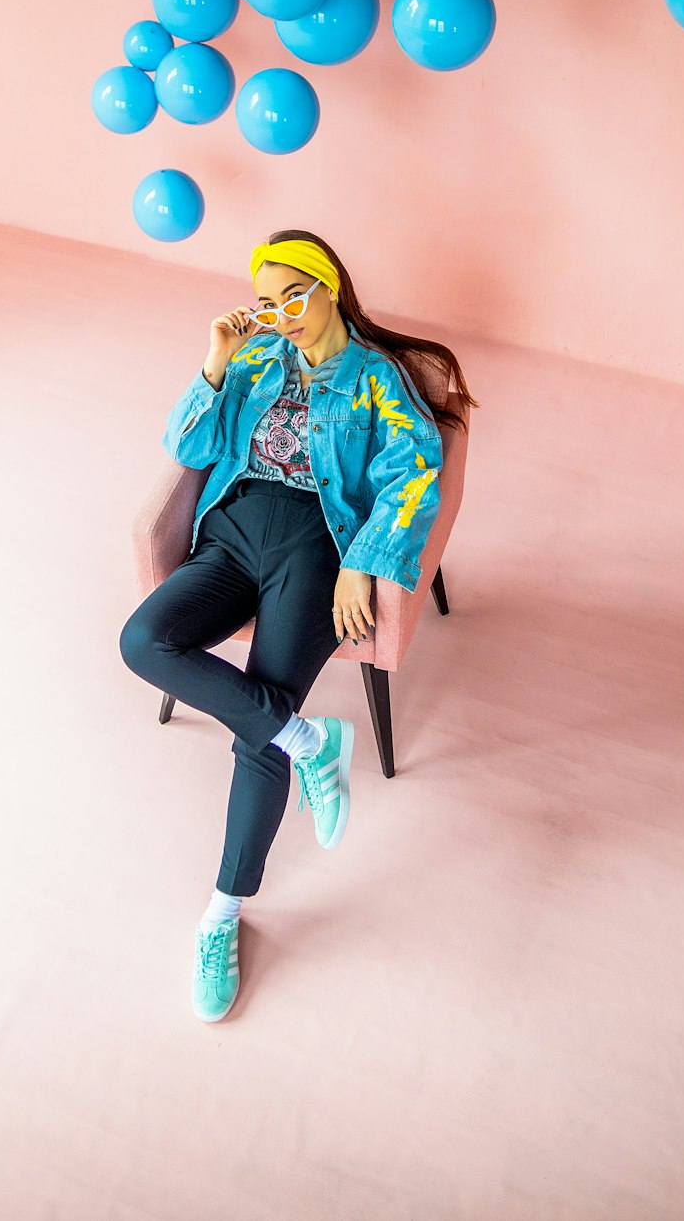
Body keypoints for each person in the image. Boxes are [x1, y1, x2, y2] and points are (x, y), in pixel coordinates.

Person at [118, 231, 478, 1021]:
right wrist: (214, 361)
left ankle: (222, 913)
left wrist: (363, 560)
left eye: (294, 297)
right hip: (232, 532)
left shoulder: (375, 377)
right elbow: (188, 445)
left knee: (258, 718)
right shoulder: (251, 359)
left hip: (315, 550)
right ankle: (311, 741)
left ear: (329, 289)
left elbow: (416, 470)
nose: (281, 315)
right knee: (142, 640)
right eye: (266, 301)